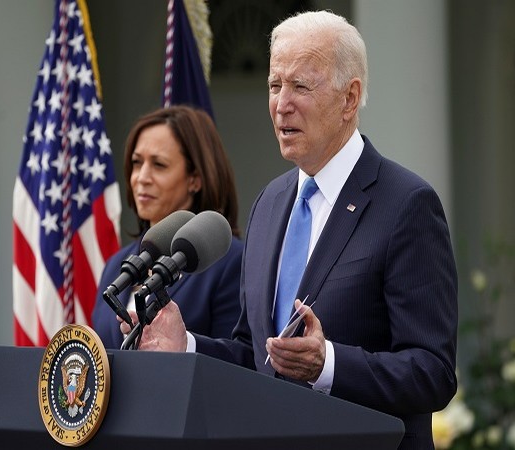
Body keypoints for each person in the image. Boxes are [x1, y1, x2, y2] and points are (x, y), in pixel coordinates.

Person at [118, 10, 458, 450]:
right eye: (275, 85)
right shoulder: (270, 204)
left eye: (301, 86)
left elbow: (432, 372)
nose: (281, 103)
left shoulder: (406, 204)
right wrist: (186, 346)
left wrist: (328, 364)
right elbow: (256, 356)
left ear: (349, 99)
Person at [92, 105, 243, 349]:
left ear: (195, 178)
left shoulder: (231, 262)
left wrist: (186, 346)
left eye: (159, 165)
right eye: (137, 163)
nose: (142, 177)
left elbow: (241, 363)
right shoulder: (116, 264)